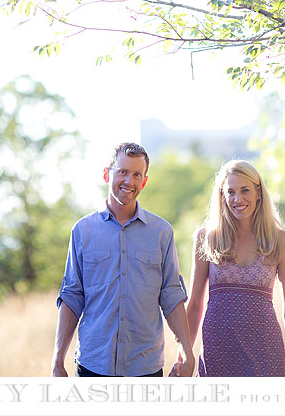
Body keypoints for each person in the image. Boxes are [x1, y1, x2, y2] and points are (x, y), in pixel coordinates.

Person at [51, 142, 195, 377]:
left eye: (137, 174)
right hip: (93, 366)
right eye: (123, 172)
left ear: (144, 181)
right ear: (107, 174)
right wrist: (57, 361)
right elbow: (71, 295)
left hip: (145, 368)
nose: (129, 181)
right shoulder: (82, 231)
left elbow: (171, 295)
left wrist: (186, 353)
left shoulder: (162, 232)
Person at [181, 160, 285, 376]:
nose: (238, 199)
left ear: (258, 192)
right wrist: (184, 356)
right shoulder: (207, 238)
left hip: (265, 352)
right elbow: (195, 305)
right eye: (231, 192)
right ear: (222, 196)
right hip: (217, 351)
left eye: (245, 190)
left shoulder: (282, 241)